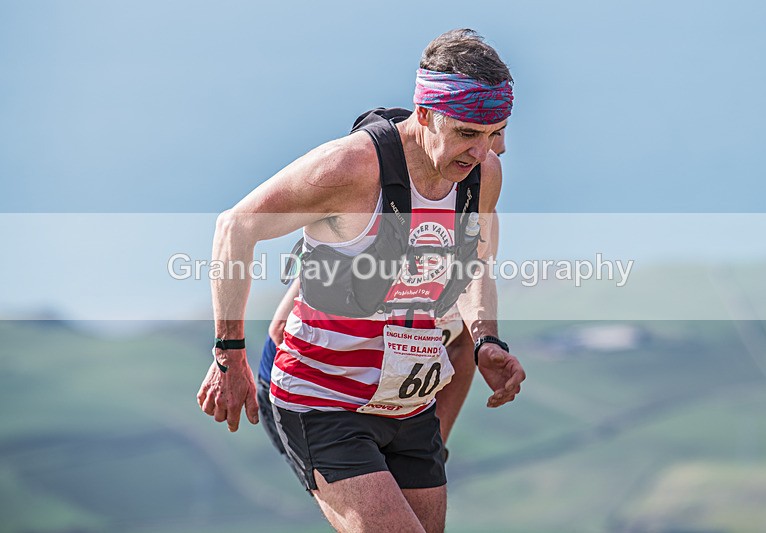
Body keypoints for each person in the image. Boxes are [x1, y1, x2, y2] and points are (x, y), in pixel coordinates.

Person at [197, 29, 525, 533]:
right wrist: (228, 352)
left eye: (495, 133)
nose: (483, 152)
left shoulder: (483, 175)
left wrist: (487, 340)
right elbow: (235, 227)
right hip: (322, 400)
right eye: (467, 133)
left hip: (408, 407)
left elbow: (475, 265)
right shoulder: (350, 167)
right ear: (425, 114)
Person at [256, 130, 506, 455]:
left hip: (393, 406)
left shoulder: (476, 223)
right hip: (311, 392)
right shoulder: (387, 221)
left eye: (496, 142)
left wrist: (434, 447)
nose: (486, 153)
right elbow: (281, 327)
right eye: (476, 135)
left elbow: (463, 342)